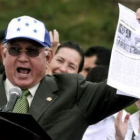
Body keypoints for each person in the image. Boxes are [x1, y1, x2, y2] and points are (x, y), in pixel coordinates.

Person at [0, 15, 138, 140]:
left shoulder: (72, 91)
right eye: (15, 49)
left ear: (48, 57)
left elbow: (124, 88)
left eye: (32, 51)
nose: (23, 58)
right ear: (4, 54)